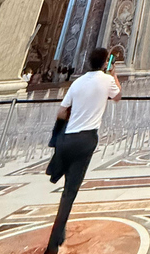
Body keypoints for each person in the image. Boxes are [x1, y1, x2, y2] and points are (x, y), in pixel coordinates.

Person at [45, 48, 122, 253]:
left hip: (67, 138)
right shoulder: (106, 80)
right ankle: (55, 240)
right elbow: (118, 96)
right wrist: (113, 74)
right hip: (86, 139)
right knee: (71, 189)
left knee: (67, 185)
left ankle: (59, 232)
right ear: (106, 62)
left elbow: (61, 112)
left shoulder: (77, 82)